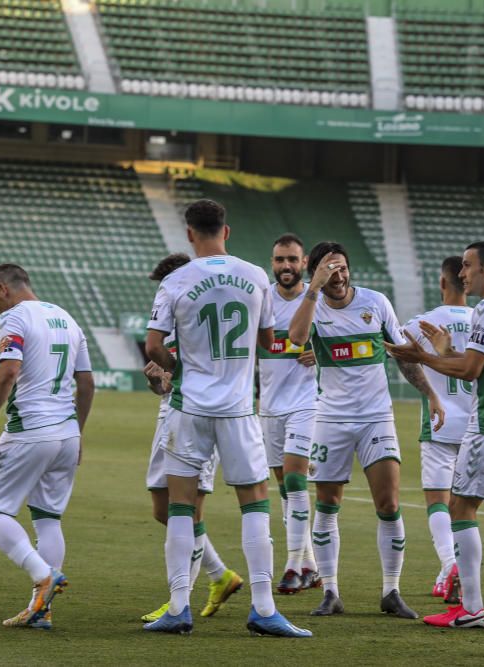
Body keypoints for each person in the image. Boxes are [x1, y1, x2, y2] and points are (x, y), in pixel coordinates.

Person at [143, 199, 311, 637]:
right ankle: (263, 608)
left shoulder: (176, 281)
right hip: (238, 407)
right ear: (227, 231)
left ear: (189, 234)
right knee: (254, 501)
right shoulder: (256, 276)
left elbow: (153, 346)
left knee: (181, 506)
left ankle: (179, 607)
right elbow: (267, 338)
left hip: (189, 406)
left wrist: (181, 373)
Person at [386, 241, 484, 629]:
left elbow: (472, 372)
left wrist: (423, 356)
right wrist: (450, 350)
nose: (463, 273)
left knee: (459, 508)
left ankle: (470, 608)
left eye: (469, 265)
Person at [288, 241, 444, 620]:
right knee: (327, 505)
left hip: (377, 416)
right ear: (317, 274)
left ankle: (391, 590)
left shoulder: (375, 302)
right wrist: (312, 289)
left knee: (389, 503)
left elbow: (402, 353)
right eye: (329, 270)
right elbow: (295, 337)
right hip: (330, 419)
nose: (337, 276)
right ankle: (330, 592)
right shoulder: (312, 306)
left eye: (342, 268)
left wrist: (431, 395)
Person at [0, 263, 95, 630]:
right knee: (47, 519)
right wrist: (79, 432)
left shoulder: (15, 317)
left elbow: (9, 371)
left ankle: (43, 575)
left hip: (31, 431)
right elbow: (86, 384)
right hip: (67, 435)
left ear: (3, 289)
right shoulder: (68, 319)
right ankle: (41, 609)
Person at [140, 252, 244, 623]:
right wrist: (158, 380)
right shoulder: (177, 322)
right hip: (170, 416)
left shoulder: (203, 319)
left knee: (188, 508)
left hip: (200, 416)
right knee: (162, 508)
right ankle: (220, 574)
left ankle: (179, 599)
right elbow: (167, 384)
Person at [401, 256, 471, 605]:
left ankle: (450, 563)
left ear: (443, 283)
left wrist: (428, 392)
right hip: (477, 425)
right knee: (465, 506)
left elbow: (399, 350)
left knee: (436, 502)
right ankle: (451, 572)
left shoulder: (426, 322)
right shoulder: (483, 319)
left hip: (440, 422)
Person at [258, 233, 320, 594]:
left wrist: (322, 352)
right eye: (280, 260)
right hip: (270, 407)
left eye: (292, 260)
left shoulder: (319, 299)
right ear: (273, 262)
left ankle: (293, 566)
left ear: (304, 262)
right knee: (285, 489)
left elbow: (343, 338)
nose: (286, 266)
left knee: (296, 482)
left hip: (307, 403)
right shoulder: (261, 299)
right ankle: (310, 563)